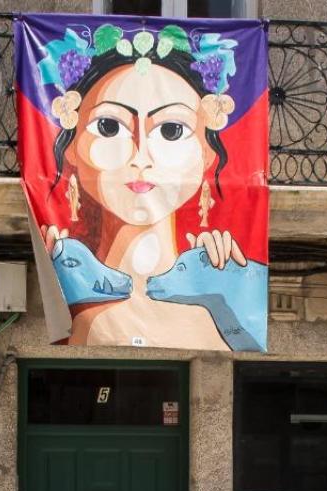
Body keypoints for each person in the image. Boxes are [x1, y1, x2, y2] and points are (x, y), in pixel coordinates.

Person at [33, 24, 267, 349]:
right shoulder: (67, 270)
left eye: (171, 130)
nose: (140, 157)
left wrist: (230, 283)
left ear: (207, 152)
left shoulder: (221, 283)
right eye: (109, 126)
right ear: (72, 146)